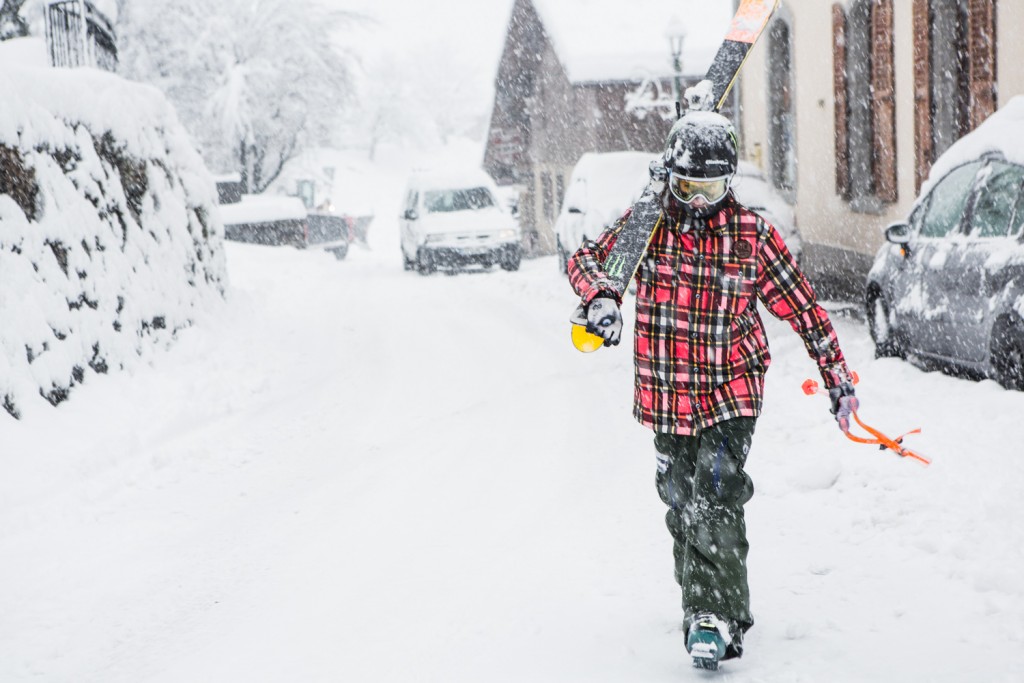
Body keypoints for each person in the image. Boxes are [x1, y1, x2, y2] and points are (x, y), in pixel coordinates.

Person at [566, 110, 858, 670]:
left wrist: (837, 376)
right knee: (679, 500)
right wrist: (601, 295)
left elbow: (804, 309)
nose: (700, 200)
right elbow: (587, 261)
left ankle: (716, 617)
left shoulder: (752, 235)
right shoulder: (646, 224)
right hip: (666, 391)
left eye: (713, 187)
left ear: (730, 183)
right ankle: (701, 592)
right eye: (689, 187)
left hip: (732, 391)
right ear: (672, 179)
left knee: (714, 499)